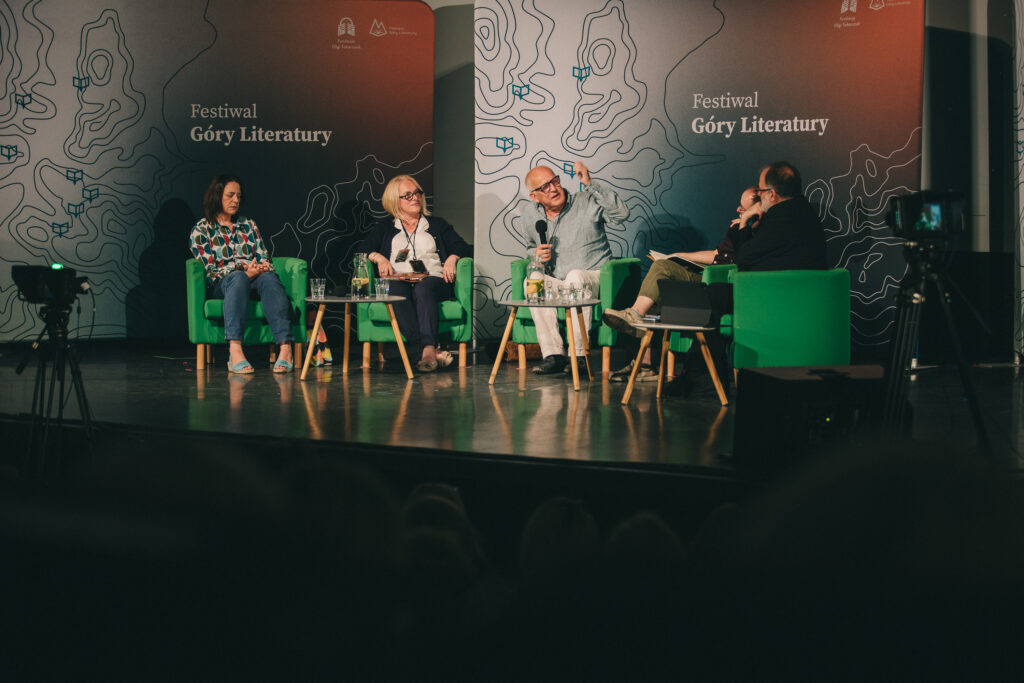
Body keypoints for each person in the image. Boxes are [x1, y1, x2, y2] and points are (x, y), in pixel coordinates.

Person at [601, 186, 761, 380]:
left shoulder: (761, 231)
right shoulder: (738, 227)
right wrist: (679, 255)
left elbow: (741, 261)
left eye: (743, 208)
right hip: (709, 273)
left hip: (721, 283)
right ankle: (646, 365)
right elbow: (719, 255)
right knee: (660, 284)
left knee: (662, 270)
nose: (737, 210)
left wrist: (745, 226)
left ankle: (634, 315)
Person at [519, 162, 630, 374]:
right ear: (534, 196)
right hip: (558, 281)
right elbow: (530, 247)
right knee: (532, 279)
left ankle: (578, 355)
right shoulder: (529, 214)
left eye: (554, 181)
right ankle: (553, 355)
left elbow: (622, 214)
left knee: (575, 276)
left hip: (592, 277)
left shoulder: (586, 201)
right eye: (544, 187)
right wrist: (536, 255)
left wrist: (589, 183)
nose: (553, 188)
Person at [360, 175, 471, 372]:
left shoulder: (436, 224)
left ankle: (428, 347)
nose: (415, 198)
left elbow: (462, 246)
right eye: (408, 195)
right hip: (398, 277)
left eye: (417, 193)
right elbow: (364, 248)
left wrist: (453, 258)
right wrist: (379, 258)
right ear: (395, 200)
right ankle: (425, 350)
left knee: (423, 290)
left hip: (433, 278)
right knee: (394, 291)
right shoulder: (386, 228)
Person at [189, 174, 294, 374]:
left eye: (238, 196)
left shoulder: (249, 225)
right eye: (230, 195)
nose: (235, 200)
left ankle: (285, 348)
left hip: (255, 278)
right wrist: (242, 271)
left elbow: (264, 258)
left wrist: (259, 269)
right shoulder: (201, 230)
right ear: (217, 196)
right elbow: (210, 271)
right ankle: (235, 350)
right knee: (237, 278)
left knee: (270, 278)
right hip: (224, 284)